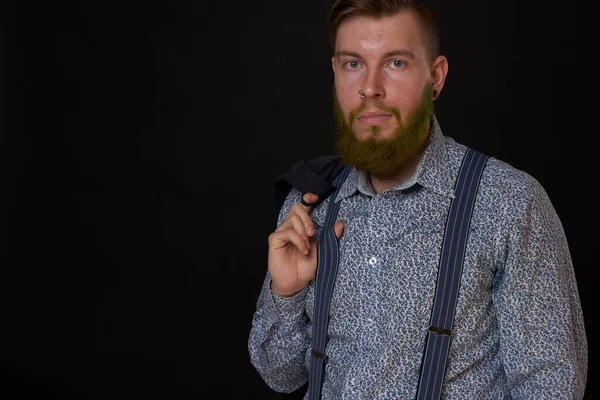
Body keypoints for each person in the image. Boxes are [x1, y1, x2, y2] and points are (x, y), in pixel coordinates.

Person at [247, 0, 588, 398]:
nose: (370, 86)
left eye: (396, 63)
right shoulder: (307, 205)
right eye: (353, 63)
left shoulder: (509, 203)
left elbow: (550, 389)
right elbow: (280, 375)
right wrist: (285, 293)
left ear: (436, 77)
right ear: (336, 73)